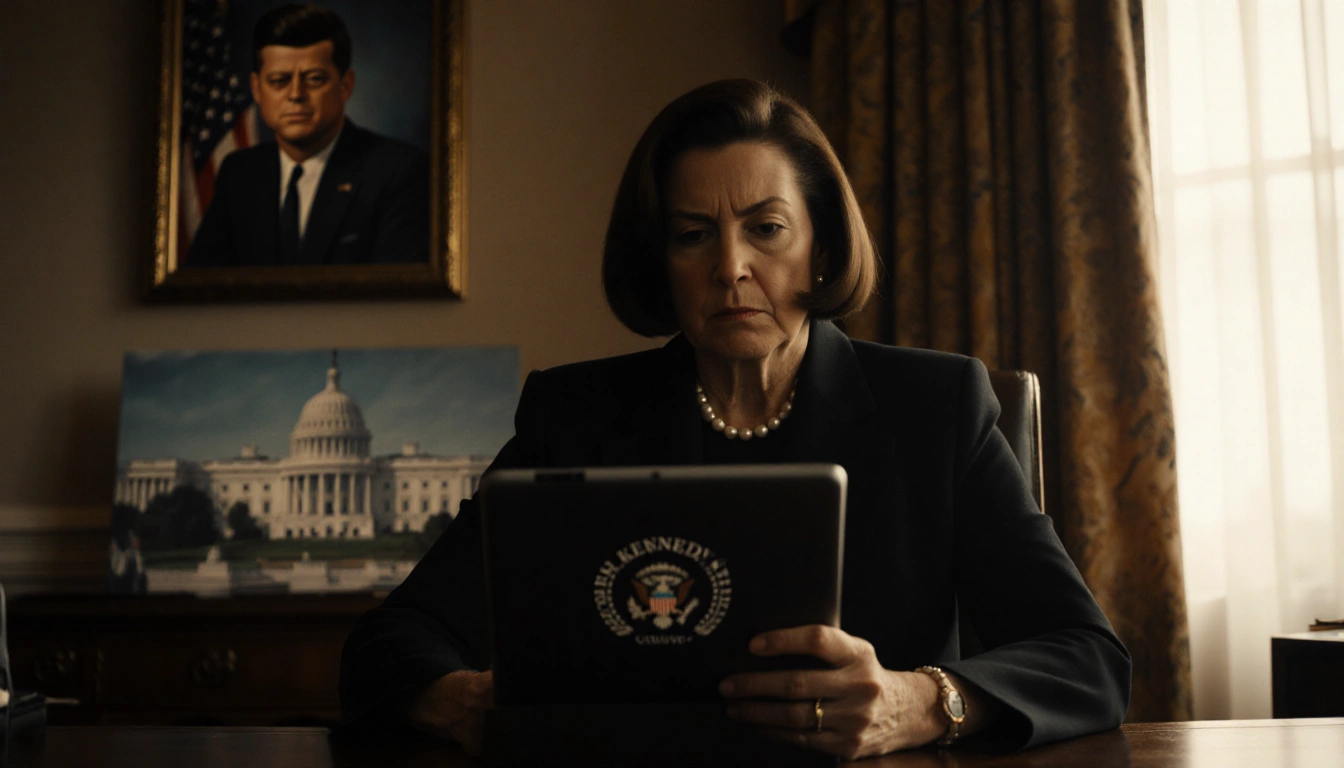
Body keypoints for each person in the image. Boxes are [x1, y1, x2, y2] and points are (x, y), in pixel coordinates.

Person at [339, 79, 1130, 760]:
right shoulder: (575, 415)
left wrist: (919, 702)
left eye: (767, 228)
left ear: (821, 249)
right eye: (692, 236)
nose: (730, 267)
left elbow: (1087, 657)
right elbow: (390, 643)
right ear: (660, 264)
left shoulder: (936, 407)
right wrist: (460, 703)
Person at [187, 3, 428, 267]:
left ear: (345, 86)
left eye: (314, 79)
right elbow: (200, 283)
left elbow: (398, 288)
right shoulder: (239, 174)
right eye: (279, 80)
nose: (295, 94)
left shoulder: (398, 172)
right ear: (257, 89)